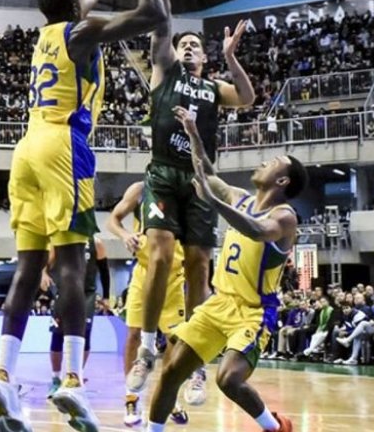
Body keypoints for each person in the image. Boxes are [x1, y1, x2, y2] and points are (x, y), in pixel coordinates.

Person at [0, 0, 168, 432]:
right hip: (66, 144)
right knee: (71, 268)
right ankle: (74, 382)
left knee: (25, 268)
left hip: (27, 148)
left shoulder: (47, 35)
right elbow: (154, 12)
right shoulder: (84, 31)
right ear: (75, 10)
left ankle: (1, 374)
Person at [128, 0, 256, 403]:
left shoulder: (213, 88)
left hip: (202, 180)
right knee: (160, 253)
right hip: (163, 171)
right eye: (183, 44)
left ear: (204, 57)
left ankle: (193, 360)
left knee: (199, 264)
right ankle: (146, 348)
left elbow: (246, 97)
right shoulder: (164, 71)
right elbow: (161, 17)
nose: (186, 47)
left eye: (194, 46)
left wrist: (230, 57)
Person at [142, 106, 305, 432]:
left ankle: (275, 427)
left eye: (272, 163)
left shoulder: (286, 217)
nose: (263, 162)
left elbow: (257, 230)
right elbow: (205, 171)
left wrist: (214, 202)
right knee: (172, 370)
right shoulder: (240, 197)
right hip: (218, 303)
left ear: (282, 180)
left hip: (253, 311)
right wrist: (192, 131)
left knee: (228, 379)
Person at [106, 181, 188, 427]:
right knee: (133, 334)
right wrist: (125, 234)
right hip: (145, 273)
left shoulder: (187, 190)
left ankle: (167, 393)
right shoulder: (141, 189)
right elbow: (113, 220)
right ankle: (132, 396)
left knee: (175, 339)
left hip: (174, 277)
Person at [43, 237, 109, 399]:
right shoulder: (61, 239)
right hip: (63, 291)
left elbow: (104, 271)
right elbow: (46, 261)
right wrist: (43, 273)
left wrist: (106, 296)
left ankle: (75, 376)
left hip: (87, 293)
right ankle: (56, 378)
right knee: (57, 335)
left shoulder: (97, 243)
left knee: (85, 335)